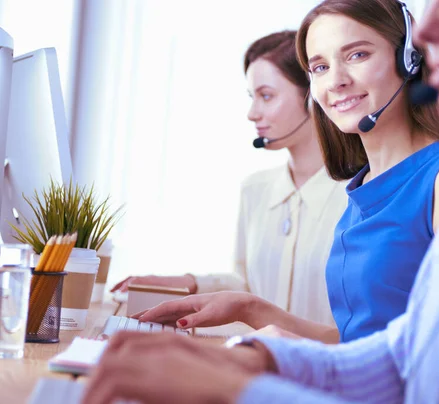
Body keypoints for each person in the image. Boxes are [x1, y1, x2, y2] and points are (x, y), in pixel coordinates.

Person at [81, 0, 439, 402]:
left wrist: (239, 390)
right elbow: (405, 356)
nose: (430, 28)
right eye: (319, 66)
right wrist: (255, 359)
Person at [135, 0, 439, 343]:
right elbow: (355, 343)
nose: (336, 81)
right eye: (320, 67)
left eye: (357, 55)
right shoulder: (364, 185)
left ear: (409, 60)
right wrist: (247, 308)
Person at [111, 30, 349, 328]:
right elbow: (247, 286)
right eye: (252, 97)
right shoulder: (256, 189)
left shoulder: (359, 194)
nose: (252, 113)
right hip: (251, 362)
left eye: (266, 96)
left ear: (313, 95)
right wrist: (187, 283)